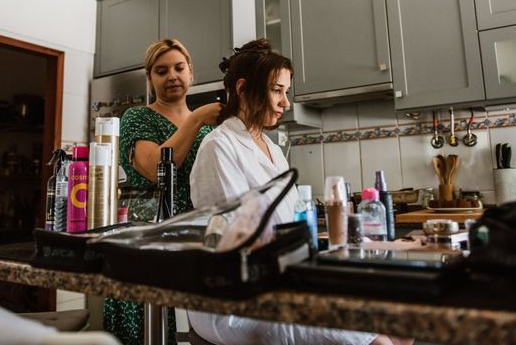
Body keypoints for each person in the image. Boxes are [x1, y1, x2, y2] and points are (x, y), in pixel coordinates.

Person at [189, 39, 412, 345]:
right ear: (242, 89)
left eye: (287, 92)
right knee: (379, 341)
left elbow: (292, 226)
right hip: (239, 296)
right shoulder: (218, 147)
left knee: (402, 322)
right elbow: (238, 241)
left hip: (283, 278)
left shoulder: (272, 149)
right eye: (277, 90)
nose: (286, 103)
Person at [104, 38, 223, 345]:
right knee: (146, 333)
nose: (172, 76)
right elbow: (157, 169)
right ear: (150, 78)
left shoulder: (211, 130)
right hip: (146, 241)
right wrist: (196, 118)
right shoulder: (137, 118)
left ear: (191, 73)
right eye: (161, 70)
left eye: (179, 68)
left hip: (195, 242)